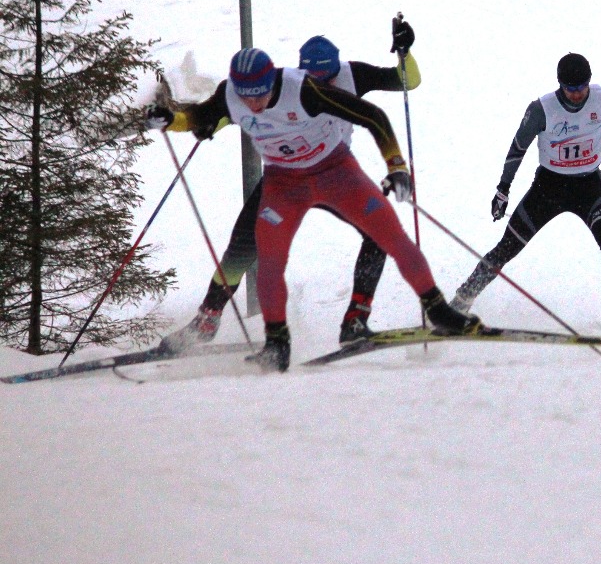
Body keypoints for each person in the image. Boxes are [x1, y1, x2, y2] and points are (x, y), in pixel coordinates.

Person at [146, 46, 480, 371]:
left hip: (335, 172)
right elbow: (199, 116)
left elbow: (372, 116)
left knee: (390, 234)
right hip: (283, 183)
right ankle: (276, 343)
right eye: (246, 95)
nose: (253, 104)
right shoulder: (231, 95)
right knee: (267, 257)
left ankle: (438, 312)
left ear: (273, 81)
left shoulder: (302, 89)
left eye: (259, 94)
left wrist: (396, 167)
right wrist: (173, 119)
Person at [451, 52, 601, 328]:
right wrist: (503, 189)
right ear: (560, 85)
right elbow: (518, 148)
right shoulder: (542, 109)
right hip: (548, 187)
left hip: (588, 186)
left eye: (581, 88)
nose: (577, 95)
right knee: (507, 247)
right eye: (570, 89)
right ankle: (461, 300)